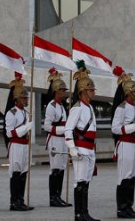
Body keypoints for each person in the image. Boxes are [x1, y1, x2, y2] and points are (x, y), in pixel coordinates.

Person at [65, 61, 100, 221]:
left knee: (85, 182)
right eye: (90, 90)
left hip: (89, 149)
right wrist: (72, 148)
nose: (93, 92)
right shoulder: (77, 108)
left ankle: (84, 212)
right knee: (79, 182)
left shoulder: (90, 108)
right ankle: (79, 214)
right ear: (83, 91)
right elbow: (68, 129)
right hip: (80, 148)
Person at [110, 66, 135, 218]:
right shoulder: (121, 108)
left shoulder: (134, 107)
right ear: (129, 92)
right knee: (124, 175)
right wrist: (133, 127)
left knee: (132, 175)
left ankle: (129, 206)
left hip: (133, 144)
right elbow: (115, 128)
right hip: (124, 144)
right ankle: (121, 208)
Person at [4, 73, 34, 211]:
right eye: (23, 97)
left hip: (25, 145)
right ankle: (14, 201)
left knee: (23, 172)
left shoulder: (27, 114)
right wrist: (25, 128)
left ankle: (21, 200)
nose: (26, 100)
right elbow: (9, 132)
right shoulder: (12, 113)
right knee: (16, 172)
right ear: (17, 99)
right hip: (15, 144)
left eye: (26, 97)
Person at [43, 67, 71, 208]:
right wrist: (63, 130)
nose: (64, 92)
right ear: (55, 91)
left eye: (64, 90)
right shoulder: (51, 106)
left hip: (63, 140)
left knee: (61, 167)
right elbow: (47, 126)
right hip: (55, 139)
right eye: (62, 90)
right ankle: (53, 198)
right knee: (55, 168)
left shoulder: (62, 106)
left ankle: (58, 196)